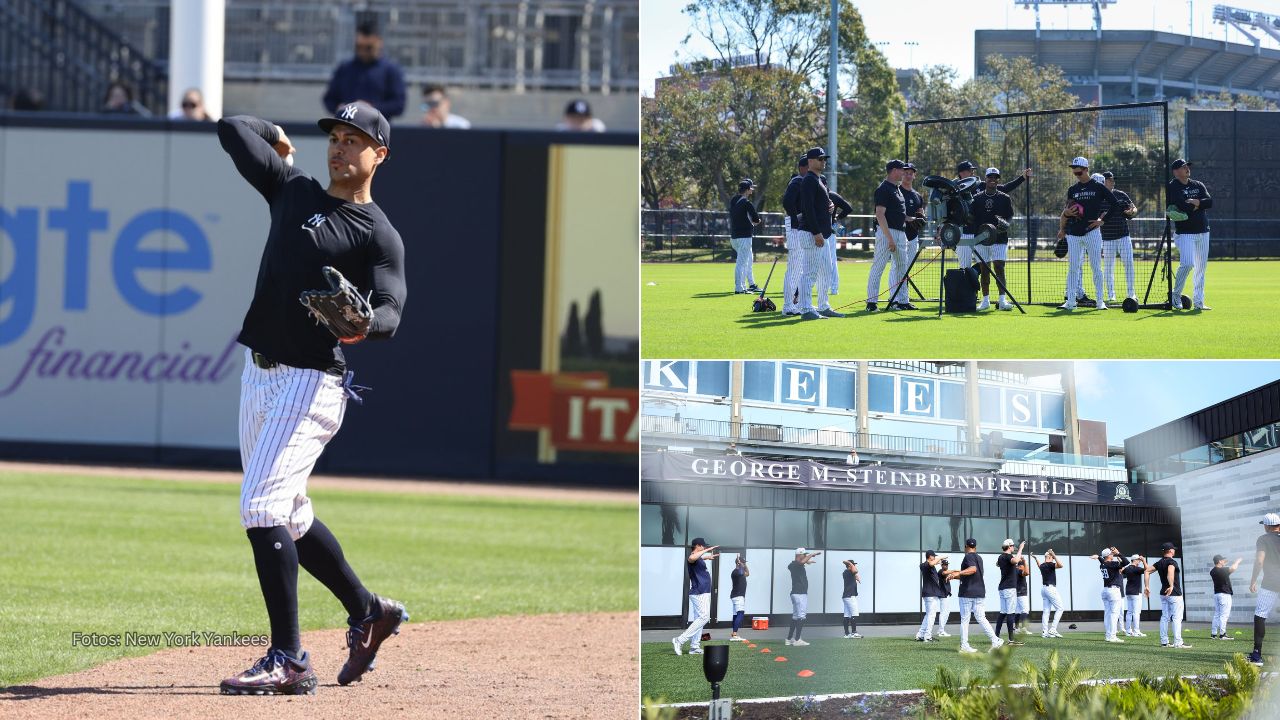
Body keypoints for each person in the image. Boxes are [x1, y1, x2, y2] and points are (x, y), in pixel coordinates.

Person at [215, 100, 409, 695]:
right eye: (336, 135)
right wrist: (275, 137)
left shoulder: (378, 233)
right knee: (289, 515)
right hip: (260, 374)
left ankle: (289, 659)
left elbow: (391, 312)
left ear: (379, 154)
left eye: (355, 139)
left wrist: (364, 324)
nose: (341, 146)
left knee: (262, 508)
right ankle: (367, 609)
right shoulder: (292, 190)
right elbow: (229, 130)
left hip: (311, 383)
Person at [1057, 157, 1118, 311]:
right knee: (1073, 268)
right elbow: (1068, 209)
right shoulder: (1072, 189)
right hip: (1073, 234)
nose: (1075, 171)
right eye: (1073, 168)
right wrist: (1066, 216)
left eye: (1078, 168)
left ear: (1085, 169)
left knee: (1096, 267)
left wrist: (1102, 221)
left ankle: (1100, 301)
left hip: (1092, 233)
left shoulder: (1098, 186)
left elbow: (1115, 205)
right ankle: (1071, 301)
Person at [953, 161, 1029, 270]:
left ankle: (975, 280)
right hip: (964, 232)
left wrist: (1022, 178)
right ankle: (966, 286)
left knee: (984, 266)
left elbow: (1005, 188)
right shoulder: (955, 189)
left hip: (980, 234)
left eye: (973, 170)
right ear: (962, 173)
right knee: (964, 267)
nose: (973, 172)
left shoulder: (981, 185)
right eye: (970, 170)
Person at [323, 22, 407, 120]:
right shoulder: (345, 68)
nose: (363, 52)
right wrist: (341, 108)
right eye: (359, 47)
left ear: (379, 42)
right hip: (347, 127)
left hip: (376, 130)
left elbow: (398, 105)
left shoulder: (390, 70)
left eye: (368, 48)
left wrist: (370, 109)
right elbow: (329, 99)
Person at [1166, 158, 1214, 310]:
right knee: (1187, 264)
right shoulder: (1173, 186)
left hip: (1203, 231)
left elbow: (1210, 202)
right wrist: (1199, 204)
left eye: (1187, 166)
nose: (1187, 168)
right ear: (1175, 172)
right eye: (1183, 167)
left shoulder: (1197, 184)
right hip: (1185, 233)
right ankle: (1175, 295)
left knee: (1201, 267)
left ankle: (1199, 302)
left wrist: (1195, 202)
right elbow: (1182, 206)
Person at [968, 168, 1016, 311]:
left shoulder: (1004, 198)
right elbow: (971, 217)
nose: (992, 179)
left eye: (995, 177)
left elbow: (1010, 217)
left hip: (1000, 238)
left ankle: (1002, 300)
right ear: (985, 178)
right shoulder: (976, 198)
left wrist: (1005, 224)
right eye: (990, 177)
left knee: (999, 267)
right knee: (984, 268)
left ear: (998, 179)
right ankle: (985, 300)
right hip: (981, 239)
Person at [796, 148, 834, 321]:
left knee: (826, 271)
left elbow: (817, 205)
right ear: (810, 161)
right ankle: (805, 309)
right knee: (809, 273)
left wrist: (829, 206)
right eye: (820, 158)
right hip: (812, 234)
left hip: (822, 234)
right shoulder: (809, 180)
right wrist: (816, 232)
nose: (823, 161)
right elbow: (807, 209)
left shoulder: (818, 180)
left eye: (824, 158)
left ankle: (823, 306)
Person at [866, 159, 909, 313]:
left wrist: (910, 219)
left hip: (900, 232)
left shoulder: (896, 189)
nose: (904, 172)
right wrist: (890, 238)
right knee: (878, 267)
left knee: (902, 268)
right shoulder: (883, 189)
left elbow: (896, 213)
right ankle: (871, 303)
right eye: (901, 169)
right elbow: (880, 214)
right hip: (887, 233)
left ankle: (902, 301)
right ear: (893, 170)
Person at [949, 537, 1004, 654]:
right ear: (976, 547)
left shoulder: (968, 556)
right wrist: (955, 576)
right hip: (979, 592)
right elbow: (971, 573)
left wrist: (959, 572)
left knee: (965, 619)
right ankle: (996, 640)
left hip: (967, 593)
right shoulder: (979, 558)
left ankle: (964, 645)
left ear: (966, 547)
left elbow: (972, 570)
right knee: (981, 618)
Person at [673, 537, 718, 655]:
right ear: (698, 545)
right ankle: (679, 640)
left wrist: (705, 557)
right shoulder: (692, 556)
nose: (704, 548)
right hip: (699, 592)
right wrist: (705, 552)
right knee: (704, 617)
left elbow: (697, 559)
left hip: (704, 592)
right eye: (703, 546)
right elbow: (692, 558)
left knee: (700, 619)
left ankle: (694, 647)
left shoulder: (698, 558)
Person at [1098, 171, 1137, 303]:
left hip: (1123, 236)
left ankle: (1131, 294)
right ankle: (1111, 295)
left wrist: (1132, 211)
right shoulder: (1098, 197)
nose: (1112, 181)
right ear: (1103, 181)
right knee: (1108, 267)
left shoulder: (1120, 194)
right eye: (1109, 179)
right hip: (1107, 238)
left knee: (1129, 264)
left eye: (1113, 179)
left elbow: (1133, 208)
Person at [1248, 512, 1280, 666]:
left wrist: (1253, 580)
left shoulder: (1263, 539)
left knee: (1260, 615)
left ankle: (1256, 655)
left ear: (1266, 526)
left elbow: (1259, 561)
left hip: (1271, 582)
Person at [1146, 541, 1191, 649]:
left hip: (1163, 594)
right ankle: (1178, 642)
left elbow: (1147, 571)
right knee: (1177, 618)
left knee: (1165, 617)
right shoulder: (1172, 562)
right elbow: (1170, 572)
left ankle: (1164, 642)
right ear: (1170, 551)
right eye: (1173, 549)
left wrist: (1147, 586)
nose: (1174, 551)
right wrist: (1171, 585)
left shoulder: (1159, 562)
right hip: (1174, 594)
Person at [816, 189, 853, 314]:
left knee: (829, 260)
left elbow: (848, 208)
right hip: (829, 229)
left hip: (827, 230)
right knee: (831, 260)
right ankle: (834, 288)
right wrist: (837, 217)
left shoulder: (827, 195)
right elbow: (848, 208)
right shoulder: (833, 195)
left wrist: (837, 217)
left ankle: (832, 287)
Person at [893, 162, 924, 311]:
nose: (908, 174)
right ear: (901, 174)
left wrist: (920, 217)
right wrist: (909, 218)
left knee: (906, 268)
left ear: (914, 175)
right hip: (899, 235)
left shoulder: (917, 195)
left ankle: (902, 298)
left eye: (911, 172)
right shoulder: (896, 192)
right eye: (905, 172)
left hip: (913, 236)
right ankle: (894, 298)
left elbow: (920, 212)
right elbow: (894, 214)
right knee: (896, 267)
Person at [780, 157, 809, 316]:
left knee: (799, 268)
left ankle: (794, 303)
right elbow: (787, 202)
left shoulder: (804, 182)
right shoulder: (797, 181)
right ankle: (787, 305)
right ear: (803, 167)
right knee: (794, 267)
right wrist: (795, 218)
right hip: (795, 226)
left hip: (800, 226)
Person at [728, 179, 762, 294]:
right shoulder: (747, 204)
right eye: (750, 188)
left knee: (744, 262)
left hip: (734, 237)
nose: (752, 190)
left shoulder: (733, 201)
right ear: (747, 190)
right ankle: (739, 288)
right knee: (741, 263)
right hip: (744, 237)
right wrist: (757, 221)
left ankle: (744, 286)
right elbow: (756, 220)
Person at [786, 548, 820, 646]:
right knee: (801, 616)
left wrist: (808, 561)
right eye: (804, 555)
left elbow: (801, 563)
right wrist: (811, 555)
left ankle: (789, 639)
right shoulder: (795, 564)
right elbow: (800, 563)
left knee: (796, 617)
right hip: (799, 594)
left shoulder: (795, 565)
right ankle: (797, 640)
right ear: (798, 555)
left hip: (797, 593)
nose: (805, 556)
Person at [1091, 546, 1126, 642]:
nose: (1112, 554)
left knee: (1107, 614)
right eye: (1111, 553)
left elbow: (1103, 560)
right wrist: (1118, 553)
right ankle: (1112, 636)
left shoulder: (1103, 565)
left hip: (1105, 591)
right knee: (1114, 614)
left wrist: (1098, 557)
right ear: (1108, 555)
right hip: (1113, 591)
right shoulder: (1112, 564)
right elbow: (1126, 562)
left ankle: (1108, 635)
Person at [995, 539, 1024, 644]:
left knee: (1003, 612)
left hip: (1002, 587)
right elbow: (1015, 561)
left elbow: (998, 564)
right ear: (1010, 547)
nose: (1013, 548)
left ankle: (996, 637)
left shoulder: (1001, 557)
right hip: (1009, 588)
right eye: (1013, 547)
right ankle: (1011, 640)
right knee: (1010, 613)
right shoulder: (1008, 557)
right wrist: (1020, 548)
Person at [1210, 554, 1243, 640]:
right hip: (1224, 594)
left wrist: (1223, 562)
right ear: (1219, 561)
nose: (1224, 561)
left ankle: (1213, 634)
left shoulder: (1213, 571)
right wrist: (1237, 562)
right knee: (1224, 615)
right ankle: (1222, 634)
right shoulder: (1221, 570)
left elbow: (1224, 567)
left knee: (1217, 614)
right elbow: (1233, 568)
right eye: (1222, 560)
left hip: (1217, 594)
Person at [1034, 550, 1065, 638]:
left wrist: (1036, 559)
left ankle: (1044, 632)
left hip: (1044, 589)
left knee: (1046, 611)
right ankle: (1053, 629)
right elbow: (1061, 565)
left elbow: (1039, 565)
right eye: (1051, 557)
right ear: (1050, 557)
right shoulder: (1050, 564)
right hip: (1051, 589)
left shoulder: (1043, 565)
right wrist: (1054, 554)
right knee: (1060, 608)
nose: (1053, 558)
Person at [917, 551, 945, 642]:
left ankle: (920, 635)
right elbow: (931, 563)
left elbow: (933, 563)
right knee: (931, 616)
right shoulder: (926, 565)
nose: (935, 558)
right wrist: (941, 557)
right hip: (931, 594)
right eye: (934, 557)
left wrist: (938, 561)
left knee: (928, 615)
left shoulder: (925, 565)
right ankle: (927, 636)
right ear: (930, 556)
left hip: (928, 594)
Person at [1121, 554, 1148, 637]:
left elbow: (1121, 571)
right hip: (1136, 592)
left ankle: (1128, 631)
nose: (1139, 561)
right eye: (1138, 560)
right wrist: (1144, 560)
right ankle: (1136, 631)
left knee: (1129, 612)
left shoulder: (1127, 568)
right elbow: (1148, 570)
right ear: (1135, 560)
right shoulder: (1137, 569)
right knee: (1136, 613)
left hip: (1128, 592)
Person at [729, 553, 749, 642]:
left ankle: (734, 634)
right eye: (743, 563)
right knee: (740, 613)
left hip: (736, 596)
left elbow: (747, 573)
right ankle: (735, 634)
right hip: (738, 596)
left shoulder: (740, 571)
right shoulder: (736, 572)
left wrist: (745, 565)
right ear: (739, 563)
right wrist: (740, 564)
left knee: (736, 614)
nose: (744, 564)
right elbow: (741, 572)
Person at [841, 558, 863, 638]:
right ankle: (854, 633)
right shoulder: (849, 572)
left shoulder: (847, 572)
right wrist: (850, 563)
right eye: (853, 565)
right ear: (850, 566)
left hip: (847, 596)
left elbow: (855, 573)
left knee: (847, 615)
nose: (855, 566)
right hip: (850, 596)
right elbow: (855, 571)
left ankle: (847, 634)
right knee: (854, 613)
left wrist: (856, 576)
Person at [934, 557, 954, 637]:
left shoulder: (946, 572)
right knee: (943, 612)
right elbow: (944, 573)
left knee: (946, 612)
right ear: (942, 565)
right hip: (943, 595)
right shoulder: (941, 571)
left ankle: (941, 630)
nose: (946, 566)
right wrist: (956, 570)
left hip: (946, 594)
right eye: (944, 565)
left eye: (947, 565)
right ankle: (941, 631)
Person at [1014, 555, 1031, 634]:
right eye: (1024, 566)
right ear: (1021, 566)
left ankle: (1016, 628)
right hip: (1022, 593)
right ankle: (1023, 628)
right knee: (1025, 610)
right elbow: (1027, 572)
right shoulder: (1020, 571)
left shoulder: (1015, 571)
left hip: (1017, 593)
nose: (1025, 567)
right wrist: (1024, 561)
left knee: (1017, 611)